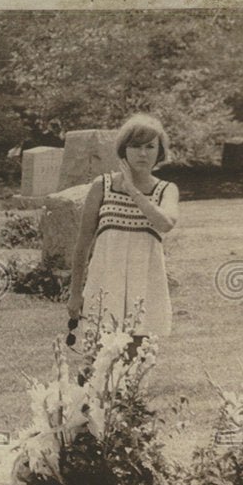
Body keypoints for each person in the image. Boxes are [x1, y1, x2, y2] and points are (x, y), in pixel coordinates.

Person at [68, 114, 179, 353]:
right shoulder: (102, 186)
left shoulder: (166, 189)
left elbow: (166, 223)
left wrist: (133, 190)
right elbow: (82, 244)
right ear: (124, 149)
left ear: (160, 151)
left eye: (150, 147)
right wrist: (75, 293)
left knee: (134, 366)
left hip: (146, 288)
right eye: (135, 146)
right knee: (99, 365)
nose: (142, 154)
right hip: (106, 284)